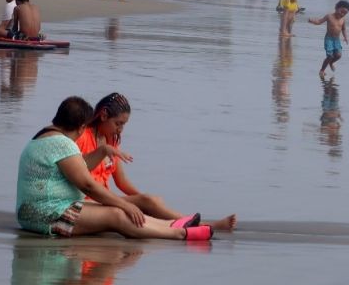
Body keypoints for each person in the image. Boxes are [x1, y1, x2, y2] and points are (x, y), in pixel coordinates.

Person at [16, 96, 213, 241]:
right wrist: (125, 204)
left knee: (114, 207)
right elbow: (88, 185)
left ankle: (170, 224)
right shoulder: (63, 143)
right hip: (47, 217)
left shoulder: (41, 138)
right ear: (81, 126)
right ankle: (179, 233)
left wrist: (102, 151)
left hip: (35, 213)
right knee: (116, 214)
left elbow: (81, 167)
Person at [76, 93, 236, 231]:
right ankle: (204, 226)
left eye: (123, 125)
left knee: (153, 200)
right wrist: (144, 202)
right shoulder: (83, 138)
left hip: (106, 198)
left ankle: (185, 224)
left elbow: (121, 182)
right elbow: (78, 174)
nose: (120, 130)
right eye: (117, 124)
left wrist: (142, 200)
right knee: (149, 201)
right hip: (91, 202)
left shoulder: (111, 141)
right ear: (103, 115)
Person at [308, 0, 349, 79]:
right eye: (341, 11)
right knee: (330, 56)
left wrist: (345, 37)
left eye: (345, 13)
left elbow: (343, 29)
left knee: (338, 55)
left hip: (337, 40)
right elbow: (319, 21)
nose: (342, 14)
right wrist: (312, 21)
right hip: (329, 39)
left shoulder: (343, 20)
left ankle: (331, 63)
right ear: (336, 8)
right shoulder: (329, 16)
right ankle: (322, 70)